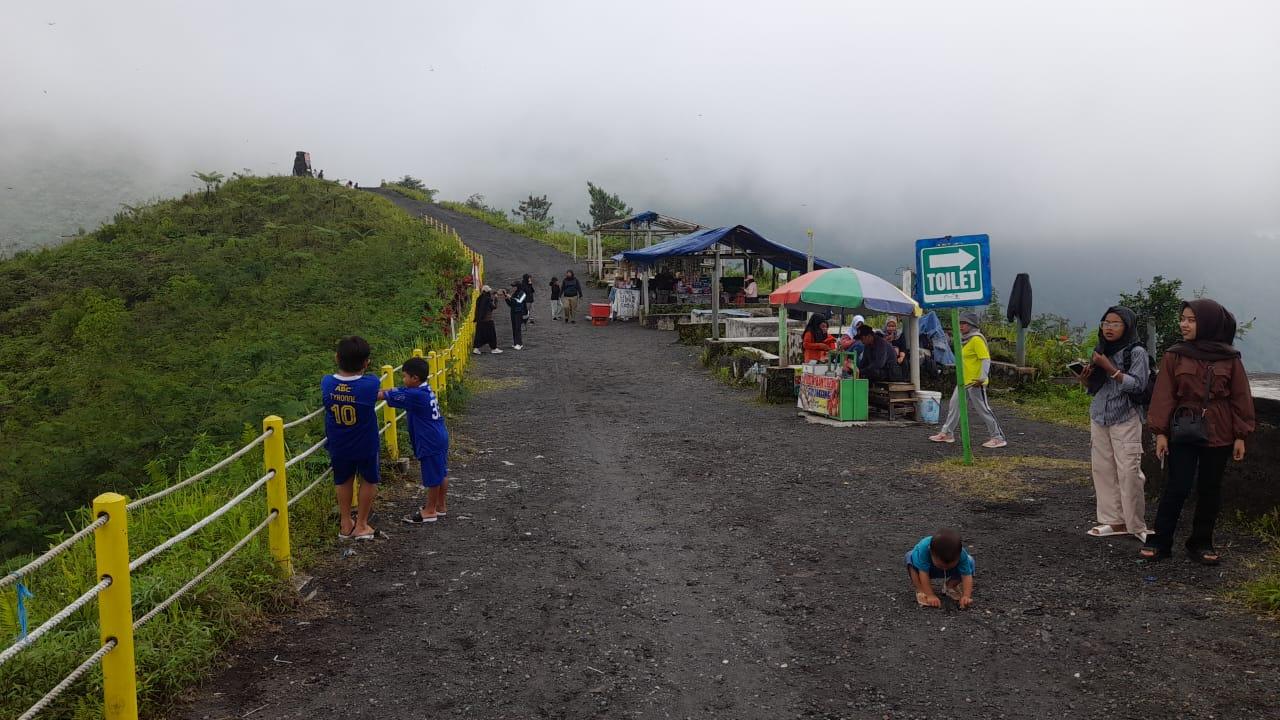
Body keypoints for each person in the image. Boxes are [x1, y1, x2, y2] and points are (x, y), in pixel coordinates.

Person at [1141, 299, 1255, 564]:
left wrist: (1241, 435)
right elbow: (1164, 395)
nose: (1184, 324)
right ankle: (1161, 541)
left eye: (1191, 320)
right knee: (1177, 486)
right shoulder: (1175, 354)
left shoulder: (1230, 359)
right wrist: (1160, 432)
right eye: (1183, 318)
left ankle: (1201, 543)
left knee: (1210, 488)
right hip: (1184, 428)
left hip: (1221, 431)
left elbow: (1241, 397)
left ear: (1209, 323)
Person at [1079, 306, 1150, 541]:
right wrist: (1085, 379)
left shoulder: (1137, 352)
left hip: (1126, 416)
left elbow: (1138, 385)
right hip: (1100, 415)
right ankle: (1113, 520)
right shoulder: (1100, 350)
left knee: (1129, 471)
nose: (1109, 328)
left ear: (1127, 326)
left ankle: (1136, 524)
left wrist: (1110, 368)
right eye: (1105, 323)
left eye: (1115, 323)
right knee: (1103, 470)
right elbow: (1095, 388)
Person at [322, 336, 381, 540]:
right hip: (365, 443)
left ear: (336, 358)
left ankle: (345, 523)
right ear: (366, 363)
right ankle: (362, 524)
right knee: (369, 479)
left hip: (339, 444)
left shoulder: (327, 383)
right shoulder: (371, 384)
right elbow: (371, 383)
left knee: (343, 480)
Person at [380, 358, 450, 524]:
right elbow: (399, 389)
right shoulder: (424, 390)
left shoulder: (415, 395)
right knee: (441, 472)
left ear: (415, 378)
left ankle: (430, 510)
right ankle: (441, 506)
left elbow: (384, 394)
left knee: (432, 476)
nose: (402, 379)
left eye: (404, 376)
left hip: (428, 440)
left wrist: (360, 392)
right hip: (439, 435)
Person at [929, 312, 1007, 448]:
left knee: (983, 409)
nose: (960, 326)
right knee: (954, 407)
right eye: (960, 323)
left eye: (964, 323)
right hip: (963, 381)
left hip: (975, 382)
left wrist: (982, 378)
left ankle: (998, 437)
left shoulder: (976, 339)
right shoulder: (964, 340)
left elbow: (985, 359)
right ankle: (947, 433)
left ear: (971, 325)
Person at [905, 528, 974, 609]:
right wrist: (930, 595)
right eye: (941, 565)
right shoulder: (924, 549)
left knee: (970, 562)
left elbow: (966, 576)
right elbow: (923, 573)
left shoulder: (962, 554)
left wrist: (966, 596)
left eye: (949, 565)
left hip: (950, 571)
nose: (945, 568)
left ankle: (950, 586)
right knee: (911, 559)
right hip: (928, 569)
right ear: (931, 553)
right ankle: (921, 590)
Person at [472, 285, 502, 354]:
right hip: (488, 320)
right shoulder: (488, 299)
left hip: (480, 320)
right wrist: (496, 299)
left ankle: (476, 349)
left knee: (479, 335)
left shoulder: (479, 298)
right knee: (492, 335)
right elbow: (494, 307)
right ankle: (494, 348)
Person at [502, 284, 526, 349]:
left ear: (517, 287)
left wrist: (510, 298)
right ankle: (516, 343)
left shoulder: (523, 293)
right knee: (514, 328)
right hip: (513, 312)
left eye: (514, 286)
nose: (512, 288)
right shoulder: (514, 294)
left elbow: (518, 302)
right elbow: (511, 304)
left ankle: (519, 344)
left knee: (518, 328)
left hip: (519, 313)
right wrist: (506, 299)